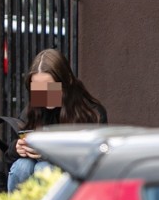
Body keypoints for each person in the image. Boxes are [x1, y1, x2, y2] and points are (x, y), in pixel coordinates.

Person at [6, 49, 107, 191]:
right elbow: (9, 159)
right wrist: (17, 148)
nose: (44, 94)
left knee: (44, 168)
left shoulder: (91, 112)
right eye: (38, 88)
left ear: (66, 82)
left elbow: (95, 162)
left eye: (49, 87)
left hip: (76, 184)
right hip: (34, 175)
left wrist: (50, 154)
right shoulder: (35, 107)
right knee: (22, 166)